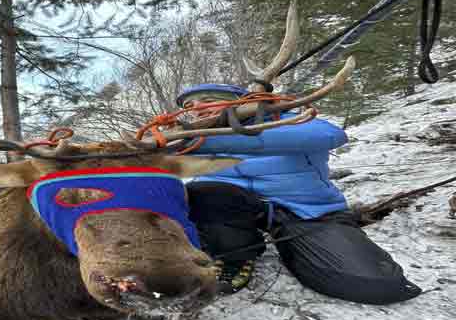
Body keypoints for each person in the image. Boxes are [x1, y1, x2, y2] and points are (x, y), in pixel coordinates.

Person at [178, 84, 422, 305]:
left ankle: (297, 243)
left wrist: (209, 142)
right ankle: (235, 255)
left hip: (305, 211)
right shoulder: (188, 138)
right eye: (190, 107)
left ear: (240, 101)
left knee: (371, 284)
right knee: (202, 192)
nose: (198, 109)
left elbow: (329, 135)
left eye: (208, 100)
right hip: (233, 208)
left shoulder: (285, 120)